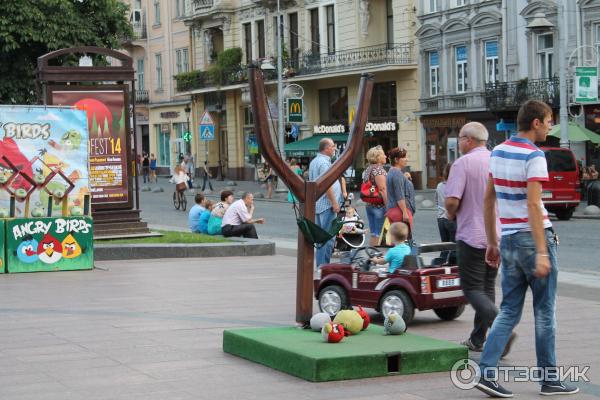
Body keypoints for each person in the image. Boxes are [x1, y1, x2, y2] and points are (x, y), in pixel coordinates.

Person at [474, 100, 579, 397]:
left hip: (507, 239)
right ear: (535, 123)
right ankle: (549, 379)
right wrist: (543, 251)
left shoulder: (498, 151)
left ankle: (487, 372)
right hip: (533, 239)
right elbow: (534, 204)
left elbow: (488, 200)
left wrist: (492, 241)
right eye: (548, 121)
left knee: (508, 310)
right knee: (545, 312)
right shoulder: (535, 156)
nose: (549, 126)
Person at [445, 121, 515, 356]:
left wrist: (450, 213)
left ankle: (503, 331)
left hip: (472, 234)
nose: (460, 142)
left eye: (460, 138)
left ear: (468, 140)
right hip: (498, 234)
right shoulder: (498, 160)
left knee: (472, 288)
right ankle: (479, 339)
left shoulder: (462, 163)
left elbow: (452, 200)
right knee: (487, 287)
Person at [309, 138, 343, 267]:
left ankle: (320, 266)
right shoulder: (324, 163)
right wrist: (334, 202)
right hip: (326, 205)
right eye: (333, 146)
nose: (334, 149)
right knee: (327, 238)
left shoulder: (315, 161)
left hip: (318, 205)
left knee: (321, 238)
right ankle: (323, 267)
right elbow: (326, 185)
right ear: (327, 148)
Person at [362, 146, 388, 246]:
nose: (385, 156)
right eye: (383, 154)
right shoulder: (378, 170)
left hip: (370, 204)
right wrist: (388, 206)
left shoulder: (368, 169)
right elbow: (383, 189)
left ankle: (371, 256)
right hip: (379, 206)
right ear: (377, 157)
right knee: (379, 234)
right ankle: (376, 257)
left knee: (374, 233)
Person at [386, 147, 414, 234]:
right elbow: (399, 195)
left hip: (394, 210)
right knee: (402, 241)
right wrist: (405, 213)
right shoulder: (397, 173)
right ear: (396, 160)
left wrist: (405, 178)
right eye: (404, 157)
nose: (407, 159)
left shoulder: (393, 171)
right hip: (399, 212)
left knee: (397, 240)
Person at [436, 163, 456, 263]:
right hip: (451, 218)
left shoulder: (439, 186)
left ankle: (439, 266)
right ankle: (451, 271)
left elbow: (437, 201)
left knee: (444, 246)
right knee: (453, 247)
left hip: (440, 218)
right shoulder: (454, 186)